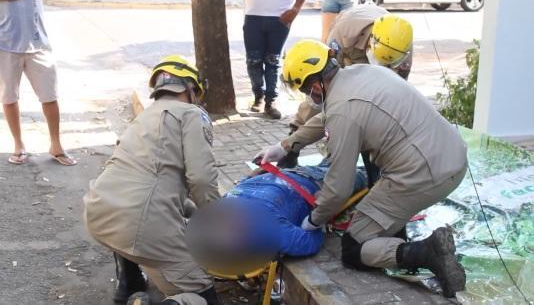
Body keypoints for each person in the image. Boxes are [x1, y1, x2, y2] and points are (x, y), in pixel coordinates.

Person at [256, 40, 468, 297]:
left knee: (354, 248)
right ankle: (393, 227)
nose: (308, 97)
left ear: (315, 85)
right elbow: (327, 117)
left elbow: (338, 188)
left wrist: (314, 219)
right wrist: (287, 145)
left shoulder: (344, 111)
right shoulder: (361, 73)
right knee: (376, 193)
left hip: (423, 175)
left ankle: (426, 252)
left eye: (305, 90)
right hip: (451, 156)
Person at [83, 55, 221, 305]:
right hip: (138, 224)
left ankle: (129, 284)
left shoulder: (142, 119)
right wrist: (218, 219)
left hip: (99, 213)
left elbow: (150, 180)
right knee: (203, 296)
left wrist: (188, 208)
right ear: (190, 89)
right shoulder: (192, 113)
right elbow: (201, 179)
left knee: (132, 220)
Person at [185, 161, 368, 274]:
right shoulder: (223, 206)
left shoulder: (269, 230)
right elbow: (307, 242)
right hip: (286, 176)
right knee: (342, 159)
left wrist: (318, 218)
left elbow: (310, 241)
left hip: (313, 182)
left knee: (369, 173)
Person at [286, 6, 413, 167]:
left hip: (382, 55)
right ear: (372, 42)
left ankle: (372, 163)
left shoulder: (403, 47)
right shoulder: (343, 33)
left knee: (371, 113)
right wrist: (295, 139)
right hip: (351, 49)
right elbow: (319, 84)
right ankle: (299, 145)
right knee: (328, 97)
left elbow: (396, 94)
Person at [0, 0, 76, 166]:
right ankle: (19, 146)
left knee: (50, 96)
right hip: (5, 42)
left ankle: (56, 146)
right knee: (9, 97)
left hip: (39, 43)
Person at [241, 0, 308, 119]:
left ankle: (271, 101)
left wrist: (296, 9)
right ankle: (258, 95)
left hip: (280, 17)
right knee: (253, 61)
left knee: (273, 61)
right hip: (253, 16)